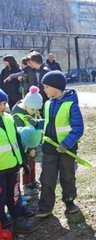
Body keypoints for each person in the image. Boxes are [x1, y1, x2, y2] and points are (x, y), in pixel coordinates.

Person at [34, 70, 84, 218]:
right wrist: (37, 123)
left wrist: (66, 144)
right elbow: (50, 123)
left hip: (66, 150)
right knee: (47, 178)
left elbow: (78, 128)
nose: (44, 89)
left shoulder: (71, 104)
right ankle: (45, 207)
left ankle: (69, 201)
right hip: (49, 149)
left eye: (46, 87)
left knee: (67, 176)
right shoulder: (48, 103)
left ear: (56, 87)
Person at [0, 89, 40, 233]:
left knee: (15, 194)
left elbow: (17, 141)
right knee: (1, 197)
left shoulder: (9, 119)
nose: (2, 107)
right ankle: (3, 221)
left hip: (13, 166)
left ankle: (18, 217)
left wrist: (23, 161)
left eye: (4, 103)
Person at [11, 86, 43, 197]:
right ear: (26, 104)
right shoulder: (17, 114)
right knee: (26, 164)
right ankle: (27, 184)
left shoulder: (32, 109)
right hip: (24, 145)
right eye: (33, 109)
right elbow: (20, 133)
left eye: (36, 110)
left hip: (32, 142)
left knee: (32, 162)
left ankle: (33, 180)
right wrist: (29, 148)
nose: (34, 112)